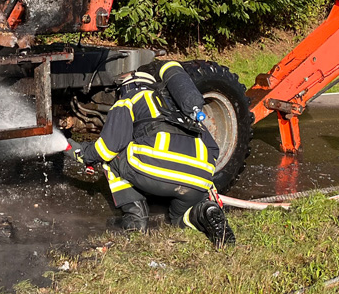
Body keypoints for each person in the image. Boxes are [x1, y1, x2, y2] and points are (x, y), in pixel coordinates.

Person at [69, 61, 236, 248]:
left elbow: (108, 147)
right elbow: (213, 149)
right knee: (179, 218)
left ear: (128, 86)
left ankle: (135, 219)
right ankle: (206, 210)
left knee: (112, 157)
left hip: (155, 173)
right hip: (199, 179)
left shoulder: (129, 99)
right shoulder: (182, 107)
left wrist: (83, 153)